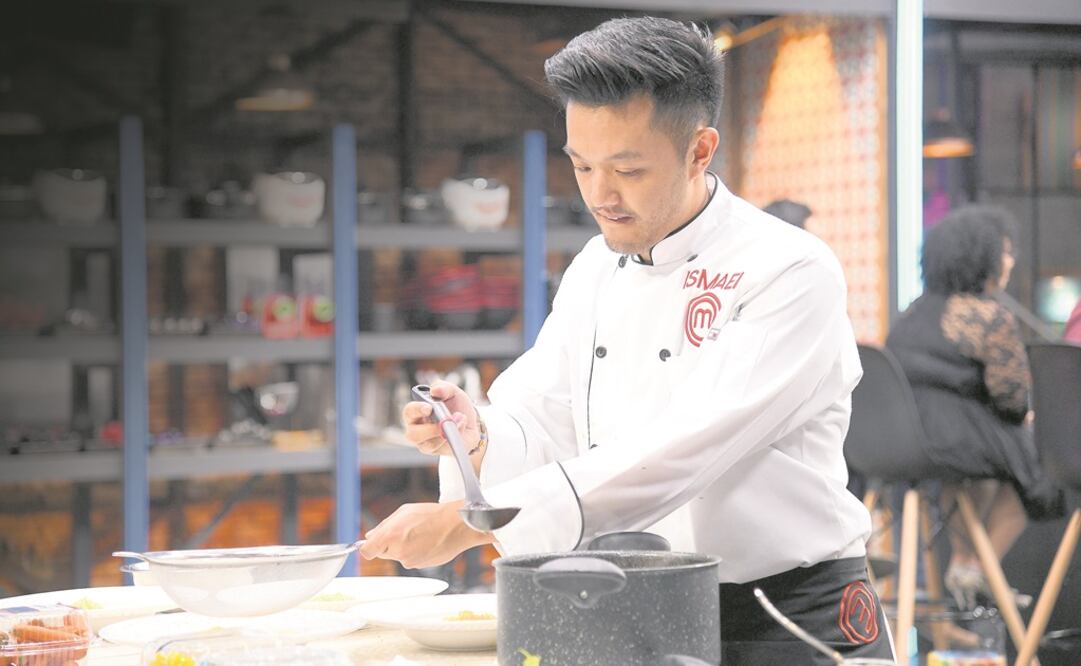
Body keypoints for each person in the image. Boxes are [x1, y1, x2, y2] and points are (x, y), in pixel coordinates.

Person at [360, 17, 892, 663]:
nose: (599, 195)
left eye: (627, 169)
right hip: (638, 600)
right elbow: (545, 411)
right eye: (581, 165)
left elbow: (683, 449)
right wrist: (480, 436)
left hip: (784, 612)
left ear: (699, 151)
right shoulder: (594, 266)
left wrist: (475, 522)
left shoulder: (788, 269)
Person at [885, 205, 1065, 607]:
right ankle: (977, 567)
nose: (1010, 260)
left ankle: (965, 563)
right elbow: (1012, 400)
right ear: (981, 256)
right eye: (1004, 251)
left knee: (979, 472)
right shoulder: (989, 317)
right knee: (1035, 465)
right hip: (954, 444)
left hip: (901, 446)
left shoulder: (909, 315)